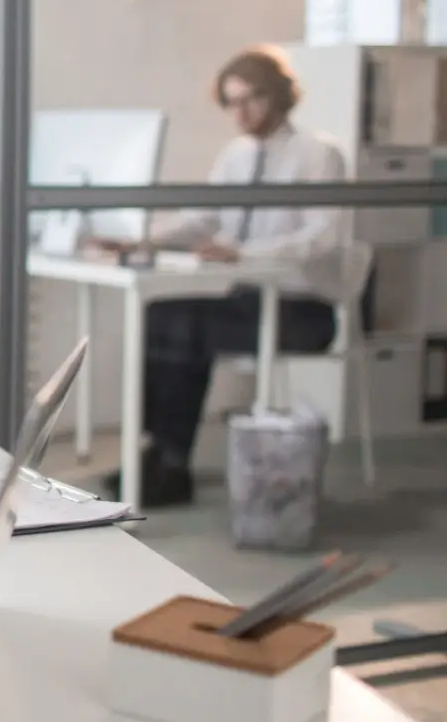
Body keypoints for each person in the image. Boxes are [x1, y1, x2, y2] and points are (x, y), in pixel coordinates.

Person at [91, 45, 347, 508]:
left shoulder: (319, 154)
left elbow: (323, 237)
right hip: (248, 300)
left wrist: (243, 251)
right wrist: (144, 242)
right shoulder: (235, 155)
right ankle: (162, 454)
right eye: (231, 102)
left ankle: (168, 462)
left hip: (302, 310)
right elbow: (202, 219)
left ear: (279, 96)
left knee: (186, 326)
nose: (241, 113)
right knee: (162, 315)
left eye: (251, 99)